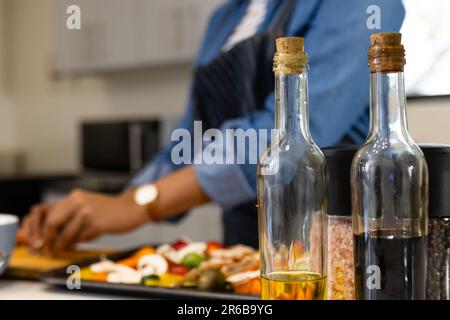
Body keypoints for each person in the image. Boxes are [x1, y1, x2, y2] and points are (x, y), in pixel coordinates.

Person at [22, 0, 405, 254]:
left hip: (325, 236)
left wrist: (139, 206)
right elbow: (192, 140)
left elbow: (283, 135)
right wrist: (108, 207)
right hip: (242, 243)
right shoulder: (225, 19)